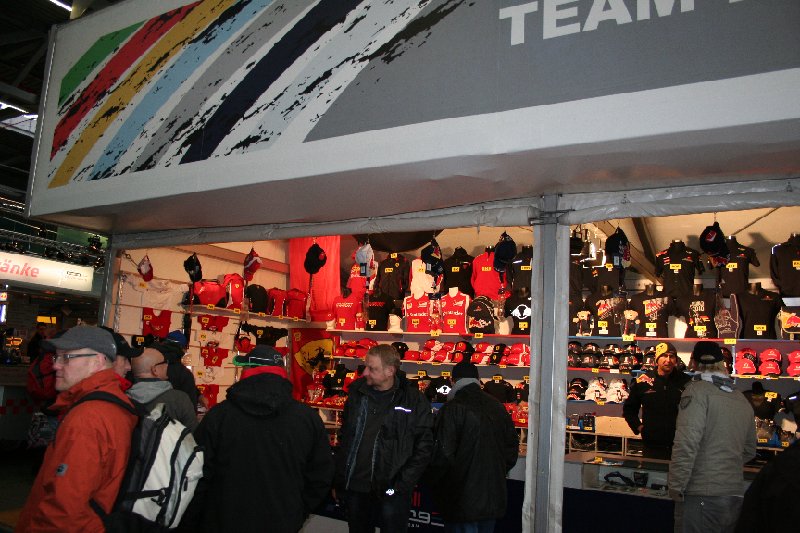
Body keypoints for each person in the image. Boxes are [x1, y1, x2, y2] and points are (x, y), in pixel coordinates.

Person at [183, 344, 333, 533]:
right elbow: (321, 476)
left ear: (247, 371)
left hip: (224, 519)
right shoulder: (307, 419)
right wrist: (296, 511)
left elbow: (196, 475)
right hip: (281, 520)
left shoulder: (219, 417)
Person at [16, 326, 138, 532]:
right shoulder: (108, 404)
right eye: (56, 357)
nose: (56, 365)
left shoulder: (87, 418)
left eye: (67, 357)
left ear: (98, 361)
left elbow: (65, 510)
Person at [335, 343, 434, 533]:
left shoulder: (413, 400)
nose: (365, 372)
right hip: (356, 487)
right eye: (366, 367)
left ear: (390, 371)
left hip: (392, 491)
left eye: (372, 368)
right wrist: (340, 478)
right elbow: (345, 436)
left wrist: (401, 485)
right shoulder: (357, 394)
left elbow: (424, 446)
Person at [669, 340, 757, 533]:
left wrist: (676, 486)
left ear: (694, 362)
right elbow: (750, 449)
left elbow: (686, 443)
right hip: (734, 493)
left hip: (701, 493)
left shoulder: (696, 391)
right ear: (721, 363)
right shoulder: (740, 397)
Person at [427, 361, 519, 533]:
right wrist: (496, 472)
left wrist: (433, 483)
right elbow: (511, 448)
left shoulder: (452, 408)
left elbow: (442, 455)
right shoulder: (497, 406)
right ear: (477, 379)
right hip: (491, 497)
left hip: (461, 498)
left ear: (453, 381)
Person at [623, 341, 690, 459]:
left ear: (676, 360)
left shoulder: (686, 381)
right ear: (657, 359)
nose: (668, 360)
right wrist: (640, 428)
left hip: (680, 446)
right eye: (664, 356)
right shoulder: (643, 381)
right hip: (652, 446)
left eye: (671, 356)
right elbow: (629, 409)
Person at [126, 346, 198, 431]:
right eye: (164, 362)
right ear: (154, 370)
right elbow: (192, 434)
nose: (167, 365)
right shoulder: (179, 399)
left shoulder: (123, 398)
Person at [158, 330, 199, 408]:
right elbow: (190, 406)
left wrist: (199, 395)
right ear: (183, 349)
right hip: (173, 413)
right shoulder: (183, 373)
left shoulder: (149, 362)